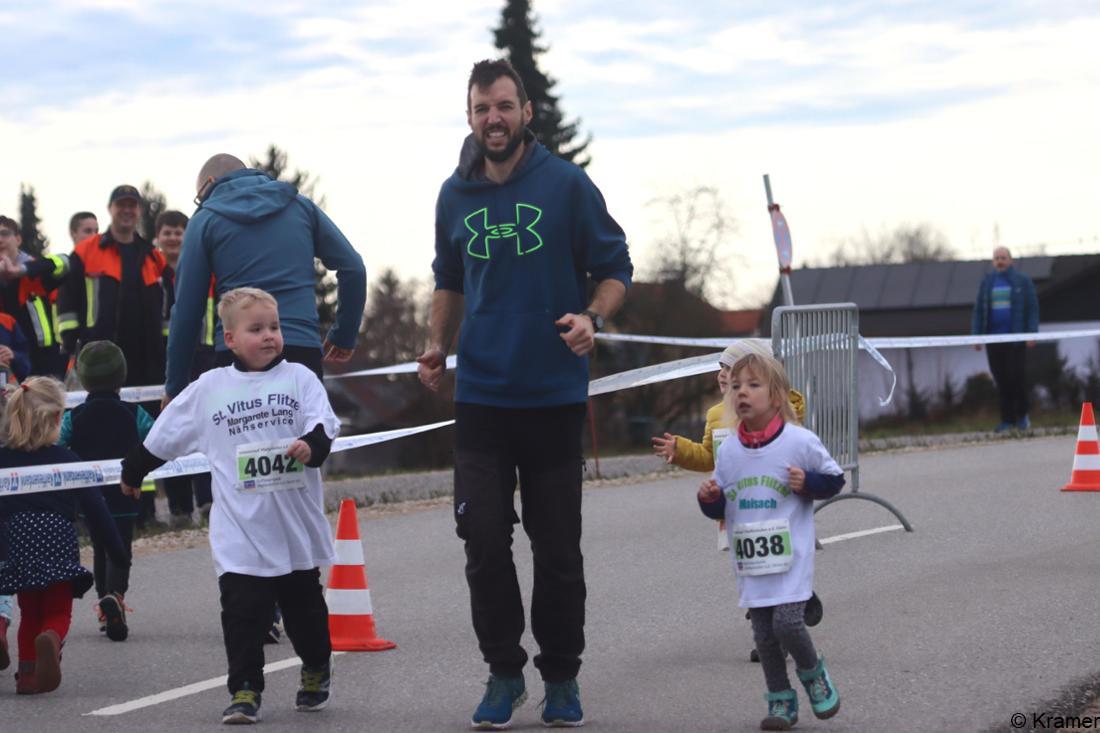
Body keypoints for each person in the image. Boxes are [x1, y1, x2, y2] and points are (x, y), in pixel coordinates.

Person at [417, 58, 633, 729]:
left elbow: (615, 266)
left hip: (552, 396)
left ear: (526, 111)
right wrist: (435, 342)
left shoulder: (566, 185)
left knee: (557, 547)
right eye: (482, 108)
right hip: (481, 394)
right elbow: (448, 279)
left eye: (504, 106)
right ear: (470, 115)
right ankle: (504, 671)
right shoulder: (453, 196)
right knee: (482, 535)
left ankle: (561, 676)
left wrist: (592, 317)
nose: (494, 119)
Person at [121, 287, 339, 724]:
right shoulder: (211, 388)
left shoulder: (299, 378)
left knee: (306, 616)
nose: (269, 336)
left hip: (293, 528)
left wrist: (312, 446)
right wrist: (135, 468)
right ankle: (244, 689)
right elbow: (168, 433)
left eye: (274, 327)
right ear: (230, 338)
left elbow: (324, 424)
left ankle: (316, 666)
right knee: (243, 616)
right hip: (240, 532)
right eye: (256, 329)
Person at [697, 352, 844, 730]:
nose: (741, 392)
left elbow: (834, 477)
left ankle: (813, 674)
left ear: (777, 396)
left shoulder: (799, 442)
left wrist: (808, 483)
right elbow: (719, 510)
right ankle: (780, 700)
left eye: (753, 385)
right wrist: (710, 497)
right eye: (735, 386)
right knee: (763, 636)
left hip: (791, 556)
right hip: (751, 560)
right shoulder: (729, 451)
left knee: (789, 625)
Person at [164, 153, 366, 400]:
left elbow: (187, 310)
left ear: (208, 183)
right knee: (305, 438)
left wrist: (175, 388)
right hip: (301, 350)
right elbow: (353, 268)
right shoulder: (300, 207)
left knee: (243, 439)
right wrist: (344, 335)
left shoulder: (204, 220)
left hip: (237, 355)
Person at [0, 377, 129, 694]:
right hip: (57, 543)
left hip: (17, 543)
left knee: (30, 612)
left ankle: (27, 675)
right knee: (56, 612)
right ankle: (52, 639)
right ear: (57, 418)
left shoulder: (4, 460)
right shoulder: (68, 461)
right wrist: (118, 553)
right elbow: (96, 510)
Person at [58, 341, 153, 641]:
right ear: (121, 377)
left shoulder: (74, 416)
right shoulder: (134, 413)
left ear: (84, 380)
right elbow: (155, 440)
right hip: (126, 491)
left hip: (89, 496)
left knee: (100, 547)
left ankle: (104, 604)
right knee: (121, 548)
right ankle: (116, 596)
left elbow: (59, 445)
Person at [57, 186, 171, 388]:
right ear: (110, 208)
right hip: (100, 357)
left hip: (147, 359)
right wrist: (72, 340)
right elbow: (67, 298)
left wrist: (164, 343)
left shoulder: (153, 256)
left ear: (140, 211)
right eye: (121, 205)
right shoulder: (86, 251)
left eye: (132, 205)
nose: (127, 210)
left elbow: (168, 305)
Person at [155, 210, 214, 526]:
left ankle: (207, 500)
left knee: (205, 428)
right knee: (174, 431)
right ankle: (179, 508)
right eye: (168, 232)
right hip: (165, 358)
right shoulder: (152, 271)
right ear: (158, 237)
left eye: (179, 232)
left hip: (203, 355)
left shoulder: (202, 266)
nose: (174, 237)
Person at [971, 247, 1039, 432]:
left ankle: (1023, 416)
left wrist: (1031, 333)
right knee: (1001, 380)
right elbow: (978, 311)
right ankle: (1007, 420)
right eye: (996, 258)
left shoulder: (1022, 281)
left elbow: (1032, 308)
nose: (999, 261)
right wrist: (976, 336)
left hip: (1016, 339)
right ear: (993, 262)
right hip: (994, 340)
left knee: (1016, 377)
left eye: (1003, 257)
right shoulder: (987, 282)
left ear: (1010, 260)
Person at [0, 215, 69, 379]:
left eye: (4, 233)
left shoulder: (36, 271)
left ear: (18, 239)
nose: (0, 239)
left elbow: (66, 262)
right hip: (8, 362)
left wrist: (21, 270)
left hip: (44, 360)